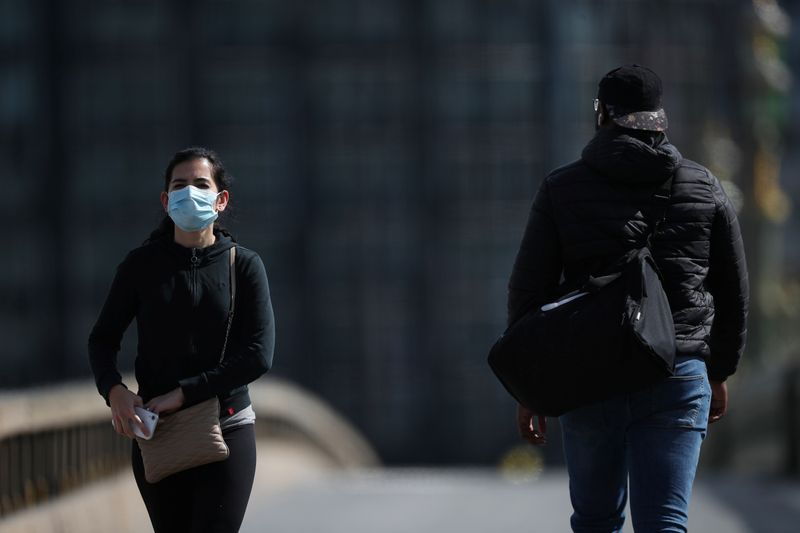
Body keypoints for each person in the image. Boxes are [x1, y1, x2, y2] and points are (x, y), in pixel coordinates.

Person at [508, 65, 748, 532]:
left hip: (588, 375)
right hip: (678, 374)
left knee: (596, 522)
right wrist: (719, 369)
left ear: (602, 116)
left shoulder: (562, 189)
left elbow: (528, 289)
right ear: (660, 119)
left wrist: (528, 384)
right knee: (665, 523)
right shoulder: (704, 186)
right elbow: (732, 289)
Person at [88, 147, 275, 533]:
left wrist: (186, 392)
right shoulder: (141, 265)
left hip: (227, 426)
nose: (189, 192)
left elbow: (259, 354)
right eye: (180, 185)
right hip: (160, 433)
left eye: (201, 184)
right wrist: (115, 391)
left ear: (221, 199)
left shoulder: (244, 265)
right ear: (165, 199)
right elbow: (102, 339)